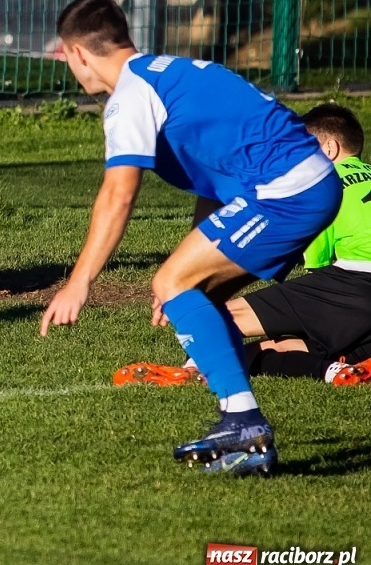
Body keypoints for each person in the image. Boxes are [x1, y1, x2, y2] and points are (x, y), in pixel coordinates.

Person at [39, 0, 343, 475]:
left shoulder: (130, 97)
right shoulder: (170, 73)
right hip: (305, 183)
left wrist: (80, 281)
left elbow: (118, 194)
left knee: (171, 284)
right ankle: (240, 427)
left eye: (65, 57)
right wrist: (189, 263)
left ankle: (244, 419)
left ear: (77, 52)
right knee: (192, 290)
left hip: (286, 190)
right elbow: (214, 181)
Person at [115, 102, 371, 387]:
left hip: (356, 279)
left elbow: (317, 268)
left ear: (329, 149)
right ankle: (334, 370)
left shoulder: (324, 184)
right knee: (264, 350)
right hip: (359, 301)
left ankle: (189, 372)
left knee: (218, 316)